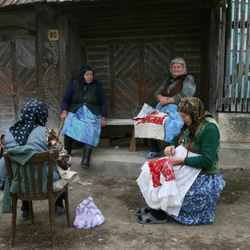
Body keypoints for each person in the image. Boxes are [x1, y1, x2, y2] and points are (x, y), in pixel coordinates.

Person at [136, 97, 226, 225]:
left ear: (193, 112)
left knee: (168, 179)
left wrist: (181, 160)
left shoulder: (209, 128)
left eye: (184, 116)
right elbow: (177, 137)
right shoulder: (191, 122)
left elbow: (207, 161)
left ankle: (159, 213)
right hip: (185, 162)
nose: (182, 120)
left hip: (202, 171)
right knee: (150, 169)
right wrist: (172, 145)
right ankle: (154, 205)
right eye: (181, 116)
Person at [0, 100, 71, 220]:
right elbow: (66, 160)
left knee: (23, 170)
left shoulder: (6, 134)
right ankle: (58, 206)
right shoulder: (46, 133)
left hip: (16, 183)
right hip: (43, 182)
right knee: (58, 169)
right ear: (42, 115)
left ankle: (26, 210)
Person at [143, 57, 196, 159]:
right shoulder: (168, 80)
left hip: (180, 108)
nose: (176, 69)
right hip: (163, 107)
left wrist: (167, 100)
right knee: (152, 119)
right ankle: (155, 148)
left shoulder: (188, 78)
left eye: (178, 67)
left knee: (173, 123)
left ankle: (171, 148)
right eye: (174, 67)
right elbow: (156, 93)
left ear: (183, 68)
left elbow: (186, 94)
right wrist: (161, 98)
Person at [60, 65, 108, 168]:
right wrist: (64, 111)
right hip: (76, 112)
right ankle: (67, 152)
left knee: (90, 127)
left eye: (91, 74)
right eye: (87, 74)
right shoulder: (74, 84)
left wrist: (103, 117)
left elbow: (103, 102)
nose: (89, 77)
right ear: (82, 75)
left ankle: (86, 159)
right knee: (69, 123)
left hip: (92, 114)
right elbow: (65, 100)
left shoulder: (97, 85)